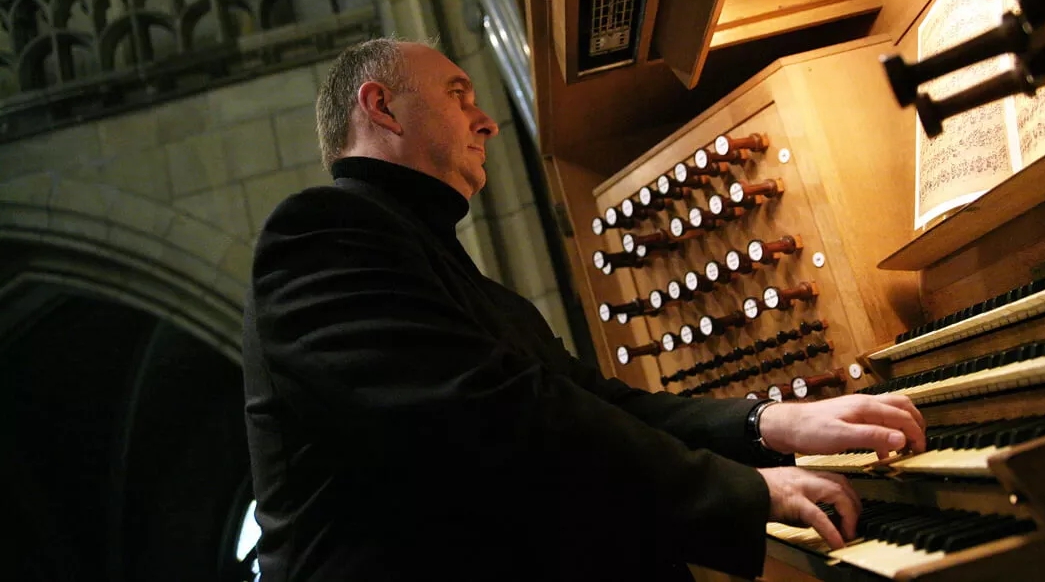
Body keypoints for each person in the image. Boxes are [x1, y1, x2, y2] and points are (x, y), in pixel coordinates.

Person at [241, 38, 926, 581]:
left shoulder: (457, 277)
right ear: (382, 107)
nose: (486, 121)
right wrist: (743, 491)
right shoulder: (319, 235)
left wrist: (770, 420)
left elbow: (596, 402)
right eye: (459, 95)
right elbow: (494, 419)